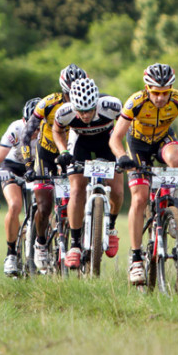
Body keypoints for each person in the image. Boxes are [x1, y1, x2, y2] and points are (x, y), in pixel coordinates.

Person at [110, 63, 178, 285]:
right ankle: (136, 258)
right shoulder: (135, 102)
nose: (160, 98)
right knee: (139, 198)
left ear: (171, 89)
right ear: (147, 88)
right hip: (138, 144)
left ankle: (170, 204)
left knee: (176, 158)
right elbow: (115, 137)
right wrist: (122, 156)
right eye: (155, 93)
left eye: (164, 93)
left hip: (162, 139)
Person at [52, 77, 123, 269]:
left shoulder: (112, 106)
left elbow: (127, 127)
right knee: (76, 189)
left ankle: (111, 228)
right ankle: (75, 245)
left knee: (116, 188)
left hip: (107, 142)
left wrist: (124, 154)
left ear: (96, 104)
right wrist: (63, 151)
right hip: (80, 143)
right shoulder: (65, 112)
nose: (85, 115)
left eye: (90, 110)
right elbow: (57, 131)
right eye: (81, 111)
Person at [21, 64, 86, 271]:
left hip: (72, 152)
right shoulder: (48, 104)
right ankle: (40, 243)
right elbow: (26, 134)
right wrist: (29, 165)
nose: (73, 97)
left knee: (76, 197)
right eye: (69, 94)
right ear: (63, 91)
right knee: (45, 205)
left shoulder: (87, 104)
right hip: (47, 154)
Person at [0, 98, 39, 276]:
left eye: (38, 128)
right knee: (15, 205)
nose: (33, 133)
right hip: (13, 167)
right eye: (30, 126)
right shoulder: (15, 129)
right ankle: (11, 254)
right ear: (24, 121)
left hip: (37, 168)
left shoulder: (48, 130)